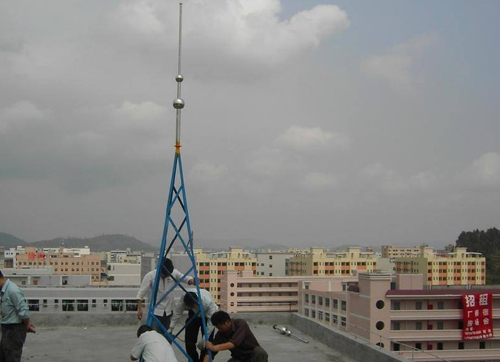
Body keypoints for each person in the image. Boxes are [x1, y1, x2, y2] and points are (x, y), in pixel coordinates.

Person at [136, 258, 194, 335]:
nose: (166, 276)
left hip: (169, 311)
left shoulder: (174, 273)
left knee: (167, 335)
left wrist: (192, 281)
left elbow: (185, 279)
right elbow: (140, 294)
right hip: (156, 312)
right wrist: (140, 309)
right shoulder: (150, 276)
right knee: (155, 335)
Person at [170, 288, 218, 362]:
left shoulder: (208, 302)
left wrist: (205, 338)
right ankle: (193, 360)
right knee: (189, 340)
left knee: (207, 342)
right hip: (193, 314)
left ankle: (204, 360)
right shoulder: (184, 297)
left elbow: (211, 322)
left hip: (207, 316)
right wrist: (171, 327)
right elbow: (178, 311)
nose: (193, 307)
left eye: (194, 306)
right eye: (190, 307)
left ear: (197, 301)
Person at [0, 270, 36, 362]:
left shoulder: (13, 290)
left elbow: (23, 311)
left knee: (12, 357)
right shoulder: (4, 290)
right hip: (7, 329)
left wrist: (27, 324)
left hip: (14, 330)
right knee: (4, 356)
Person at [203, 311, 268, 362]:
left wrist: (214, 347)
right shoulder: (220, 334)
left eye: (220, 328)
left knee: (260, 352)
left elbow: (233, 343)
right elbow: (210, 353)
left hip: (253, 356)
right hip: (239, 358)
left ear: (227, 322)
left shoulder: (240, 324)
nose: (219, 330)